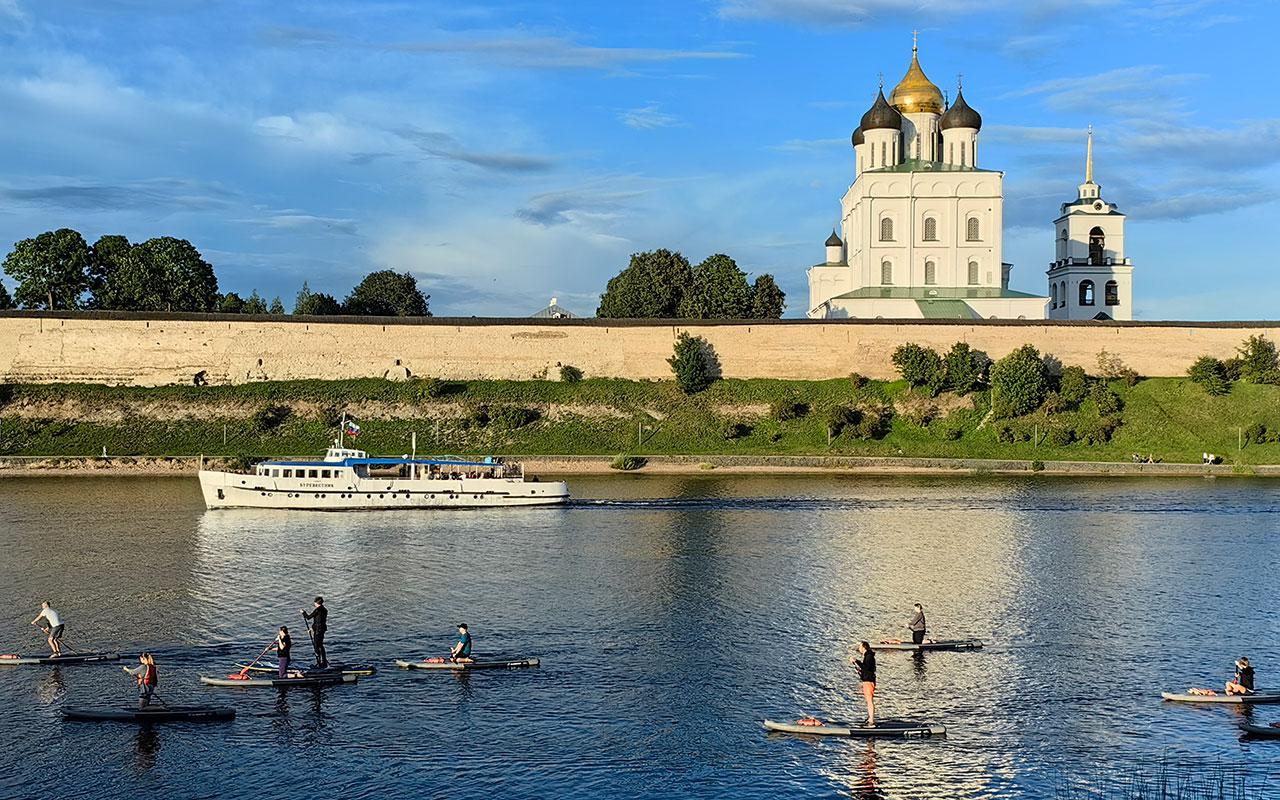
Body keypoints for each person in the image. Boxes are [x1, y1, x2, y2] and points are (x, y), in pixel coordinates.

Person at [852, 641, 877, 727]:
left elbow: (866, 667)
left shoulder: (869, 656)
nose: (859, 648)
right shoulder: (868, 656)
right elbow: (866, 669)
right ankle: (870, 718)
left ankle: (871, 720)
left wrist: (856, 661)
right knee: (868, 701)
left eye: (860, 647)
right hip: (868, 680)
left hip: (868, 681)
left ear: (864, 647)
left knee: (869, 701)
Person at [301, 597, 328, 668]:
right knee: (321, 645)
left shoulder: (317, 610)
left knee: (316, 645)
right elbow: (319, 621)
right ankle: (323, 661)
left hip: (318, 631)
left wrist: (303, 612)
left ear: (316, 603)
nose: (314, 603)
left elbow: (308, 617)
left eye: (315, 602)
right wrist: (312, 629)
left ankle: (319, 662)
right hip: (322, 629)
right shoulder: (325, 610)